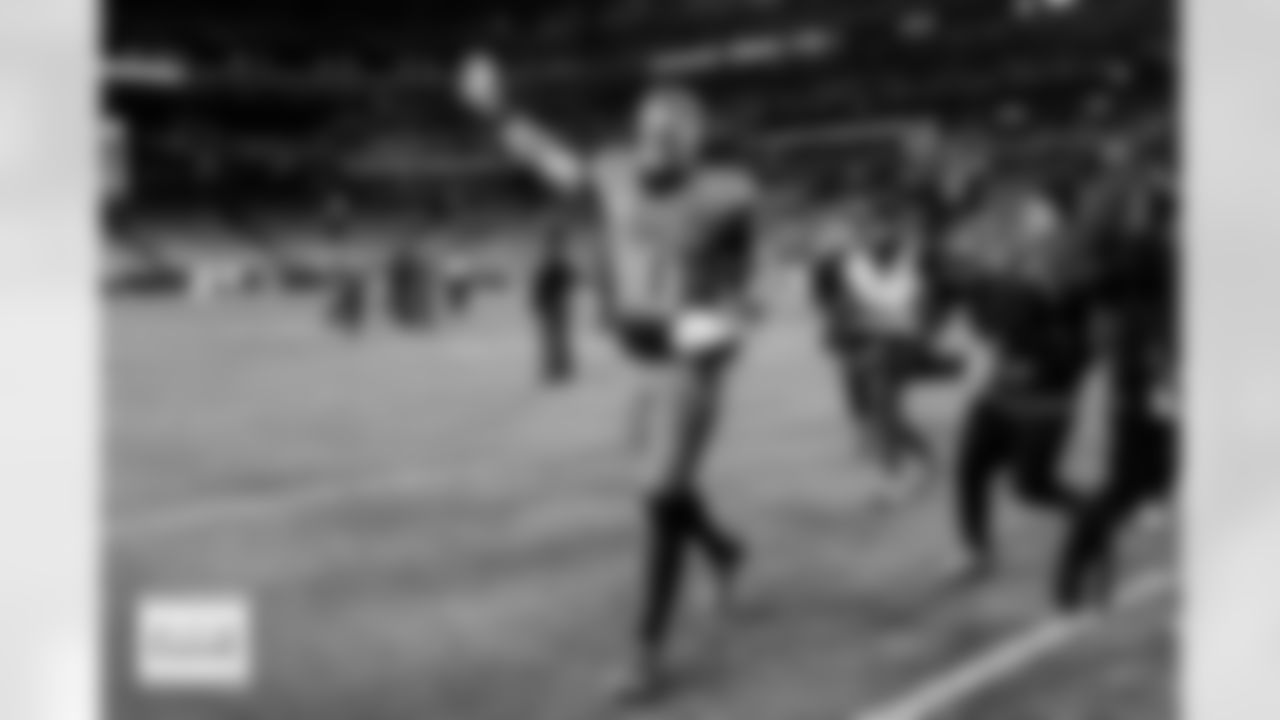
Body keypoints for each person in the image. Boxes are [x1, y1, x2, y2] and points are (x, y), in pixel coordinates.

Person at [459, 52, 759, 699]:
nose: (658, 143)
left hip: (690, 362)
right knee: (665, 491)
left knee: (658, 499)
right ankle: (726, 551)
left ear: (694, 141)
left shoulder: (726, 196)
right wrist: (497, 110)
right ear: (637, 132)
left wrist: (684, 330)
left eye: (673, 133)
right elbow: (547, 158)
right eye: (651, 130)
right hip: (648, 362)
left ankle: (646, 654)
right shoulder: (614, 175)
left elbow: (744, 306)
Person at [1055, 152, 1178, 610]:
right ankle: (1084, 574)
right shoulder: (1132, 250)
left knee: (1106, 483)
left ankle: (1083, 575)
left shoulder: (1147, 249)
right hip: (1127, 371)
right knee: (1103, 483)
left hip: (1141, 369)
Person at [530, 229, 579, 384]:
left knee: (558, 337)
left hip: (557, 303)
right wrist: (537, 302)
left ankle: (560, 367)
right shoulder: (551, 263)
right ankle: (557, 367)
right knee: (554, 337)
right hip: (552, 304)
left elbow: (570, 278)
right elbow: (541, 285)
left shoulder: (556, 263)